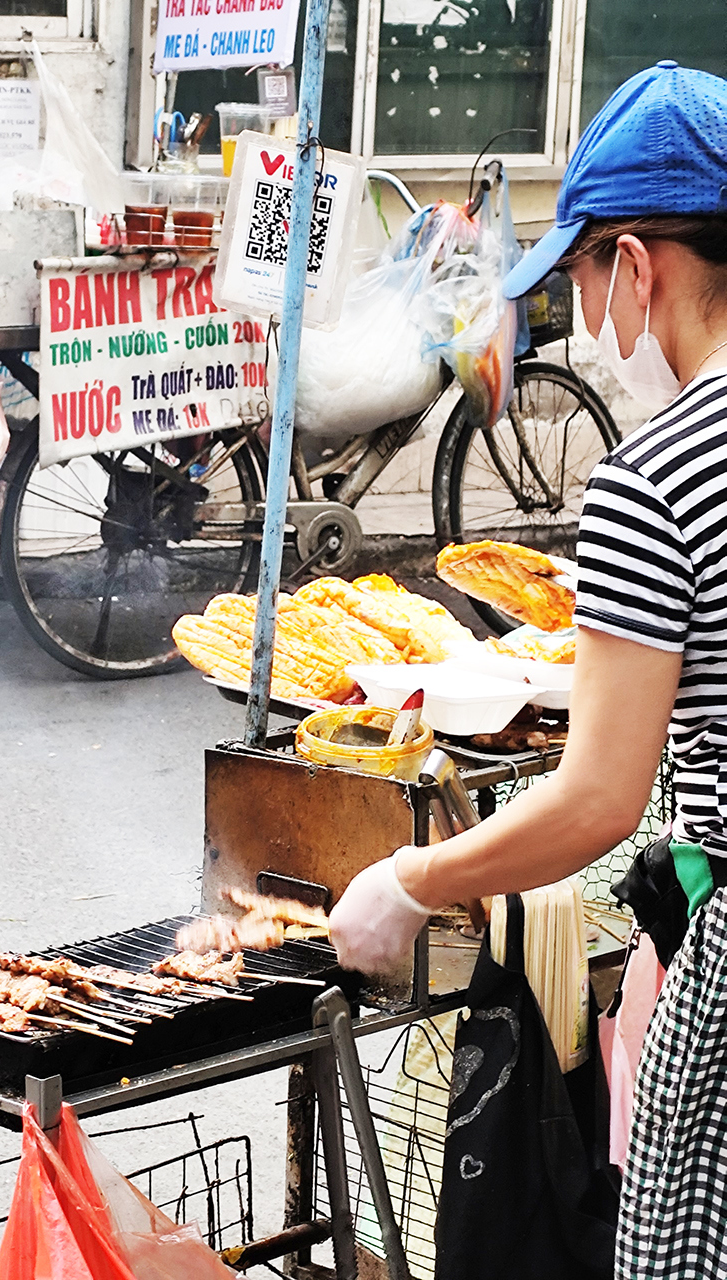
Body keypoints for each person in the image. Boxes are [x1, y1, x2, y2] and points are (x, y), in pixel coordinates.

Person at [329, 61, 727, 1278]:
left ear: (637, 266)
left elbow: (600, 795)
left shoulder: (655, 477)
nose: (584, 322)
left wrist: (412, 876)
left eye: (581, 281)